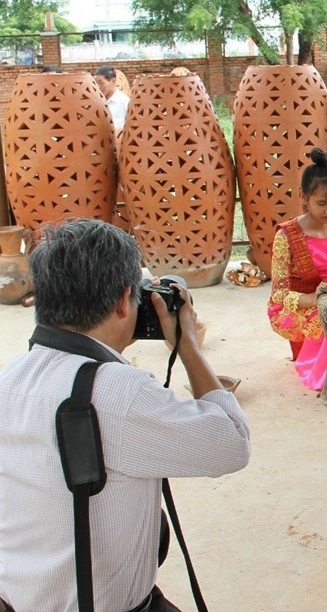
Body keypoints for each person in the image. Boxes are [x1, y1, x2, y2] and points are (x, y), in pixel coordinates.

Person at [0, 219, 251, 611]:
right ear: (122, 301)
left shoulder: (9, 379)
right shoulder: (121, 392)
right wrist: (187, 346)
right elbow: (233, 443)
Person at [267, 148, 327, 390]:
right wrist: (312, 299)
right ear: (303, 196)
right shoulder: (287, 235)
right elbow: (278, 294)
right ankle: (324, 375)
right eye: (322, 203)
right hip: (297, 305)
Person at [94, 65, 130, 131]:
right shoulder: (95, 102)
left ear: (113, 81)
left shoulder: (125, 102)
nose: (98, 87)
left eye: (101, 83)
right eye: (95, 83)